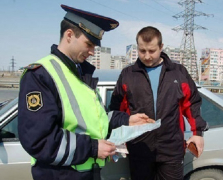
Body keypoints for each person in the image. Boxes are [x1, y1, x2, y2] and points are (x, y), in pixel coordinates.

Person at [18, 5, 153, 180]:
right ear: (69, 35)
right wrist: (93, 148)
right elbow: (39, 139)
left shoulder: (79, 74)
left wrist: (127, 120)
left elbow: (96, 118)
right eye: (88, 44)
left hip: (87, 173)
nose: (92, 52)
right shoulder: (40, 74)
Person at [109, 26, 209, 180]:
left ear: (161, 47)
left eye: (152, 51)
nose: (147, 56)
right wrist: (114, 138)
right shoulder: (128, 75)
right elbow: (116, 110)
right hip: (139, 147)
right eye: (142, 51)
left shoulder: (178, 72)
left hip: (171, 149)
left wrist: (197, 133)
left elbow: (192, 104)